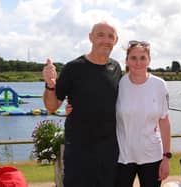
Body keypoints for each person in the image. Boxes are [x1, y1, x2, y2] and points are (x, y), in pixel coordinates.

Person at [42, 21, 122, 187]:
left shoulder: (116, 68)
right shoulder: (73, 68)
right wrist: (50, 85)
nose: (105, 40)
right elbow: (52, 106)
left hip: (109, 150)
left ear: (115, 40)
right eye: (100, 35)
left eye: (110, 36)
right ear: (91, 37)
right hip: (79, 150)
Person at [115, 40, 171, 187]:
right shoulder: (119, 84)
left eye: (142, 58)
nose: (138, 62)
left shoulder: (159, 85)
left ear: (149, 60)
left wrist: (166, 158)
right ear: (126, 61)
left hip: (152, 155)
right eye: (133, 58)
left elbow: (164, 122)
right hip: (123, 155)